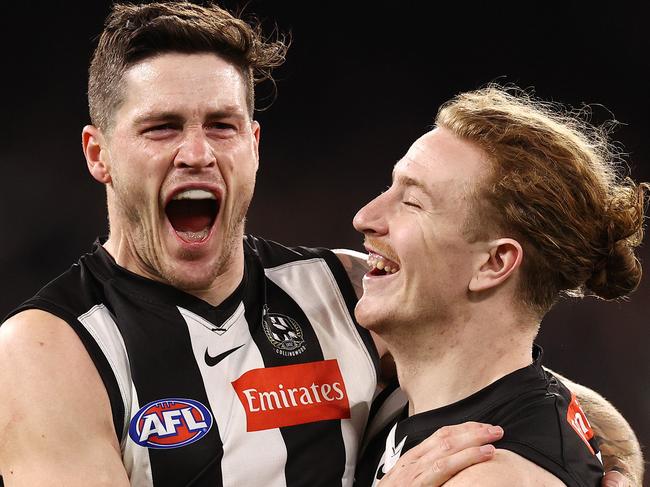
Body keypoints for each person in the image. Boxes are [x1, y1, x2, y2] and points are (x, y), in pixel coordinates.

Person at [0, 2, 639, 486]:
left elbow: (523, 390)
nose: (196, 153)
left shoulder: (347, 293)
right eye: (162, 128)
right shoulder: (51, 352)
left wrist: (609, 467)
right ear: (99, 154)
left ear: (253, 145)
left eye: (221, 126)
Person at [352, 85, 647, 486]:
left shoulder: (488, 474)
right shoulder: (457, 408)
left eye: (413, 202)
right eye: (390, 187)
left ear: (494, 263)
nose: (365, 217)